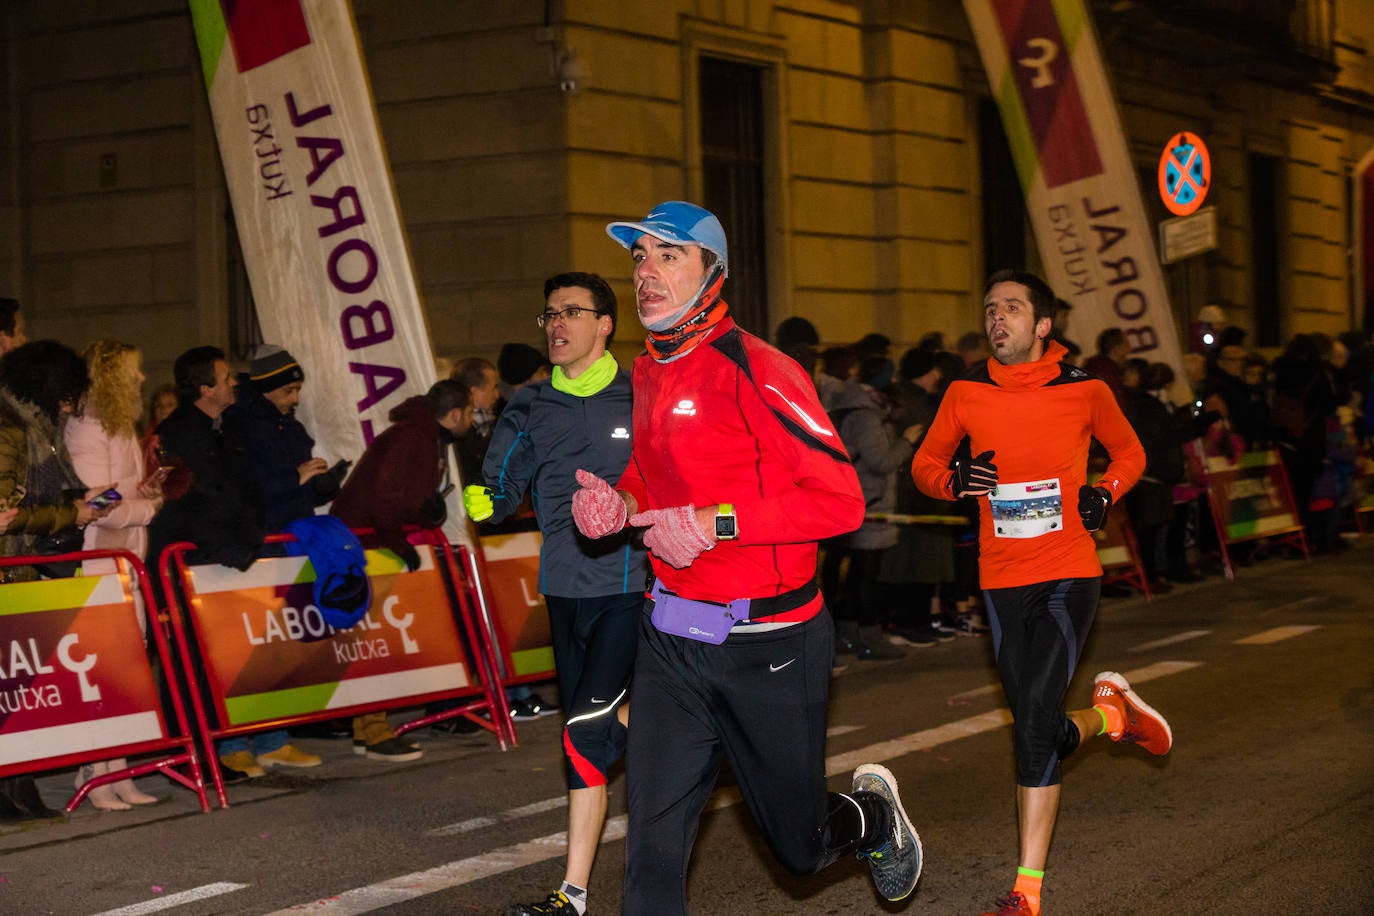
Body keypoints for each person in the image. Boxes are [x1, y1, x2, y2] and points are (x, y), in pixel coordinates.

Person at [573, 201, 922, 912]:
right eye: (639, 257)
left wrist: (715, 523)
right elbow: (651, 475)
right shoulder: (646, 372)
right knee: (652, 852)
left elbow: (841, 504)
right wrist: (622, 506)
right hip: (671, 640)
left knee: (798, 848)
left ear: (712, 273)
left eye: (668, 256)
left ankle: (870, 818)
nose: (646, 272)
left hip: (771, 642)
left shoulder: (761, 368)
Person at [911, 269, 1171, 916]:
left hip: (1067, 572)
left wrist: (1101, 493)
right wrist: (954, 481)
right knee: (1034, 721)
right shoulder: (965, 391)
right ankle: (1112, 717)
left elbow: (1130, 453)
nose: (998, 319)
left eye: (1013, 309)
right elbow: (924, 465)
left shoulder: (1085, 389)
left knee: (1030, 725)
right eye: (991, 309)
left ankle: (1027, 892)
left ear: (1043, 324)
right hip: (1000, 580)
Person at [463, 272, 648, 916]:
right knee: (583, 734)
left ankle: (572, 891)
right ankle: (573, 894)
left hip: (634, 585)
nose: (558, 323)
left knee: (585, 730)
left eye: (573, 312)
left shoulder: (641, 392)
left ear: (605, 325)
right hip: (564, 588)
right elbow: (505, 481)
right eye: (549, 314)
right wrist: (488, 500)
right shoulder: (529, 404)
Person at [215, 345, 352, 770]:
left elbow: (300, 486)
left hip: (291, 541)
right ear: (270, 389)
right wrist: (293, 478)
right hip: (259, 546)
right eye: (290, 390)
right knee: (246, 648)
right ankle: (232, 743)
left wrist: (322, 485)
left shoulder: (288, 428)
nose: (296, 399)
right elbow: (243, 489)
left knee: (280, 648)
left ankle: (274, 736)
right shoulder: (240, 426)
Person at [147, 346, 280, 782]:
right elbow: (191, 503)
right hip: (191, 563)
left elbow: (246, 487)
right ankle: (189, 754)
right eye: (226, 378)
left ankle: (210, 749)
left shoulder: (228, 426)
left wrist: (250, 537)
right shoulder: (180, 434)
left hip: (224, 560)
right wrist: (227, 544)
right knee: (186, 666)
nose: (234, 383)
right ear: (205, 389)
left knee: (214, 664)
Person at [330, 379, 474, 762]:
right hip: (366, 546)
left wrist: (422, 511)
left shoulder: (425, 437)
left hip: (375, 543)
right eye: (471, 412)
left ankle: (370, 727)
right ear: (455, 413)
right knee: (378, 637)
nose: (473, 420)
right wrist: (398, 540)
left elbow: (399, 494)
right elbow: (384, 496)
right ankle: (373, 730)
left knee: (379, 636)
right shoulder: (412, 437)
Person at [0, 340, 113, 820]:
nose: (69, 406)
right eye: (65, 395)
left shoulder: (33, 427)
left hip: (23, 571)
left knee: (20, 689)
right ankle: (11, 792)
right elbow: (5, 515)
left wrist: (82, 506)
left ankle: (21, 788)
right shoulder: (11, 429)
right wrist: (73, 511)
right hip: (11, 570)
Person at [64, 339, 165, 809]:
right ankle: (95, 773)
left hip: (126, 563)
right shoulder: (86, 428)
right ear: (110, 376)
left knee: (125, 672)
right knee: (102, 671)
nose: (142, 379)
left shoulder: (121, 425)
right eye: (134, 370)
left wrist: (147, 487)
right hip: (99, 565)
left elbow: (119, 492)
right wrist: (147, 507)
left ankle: (120, 771)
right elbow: (96, 502)